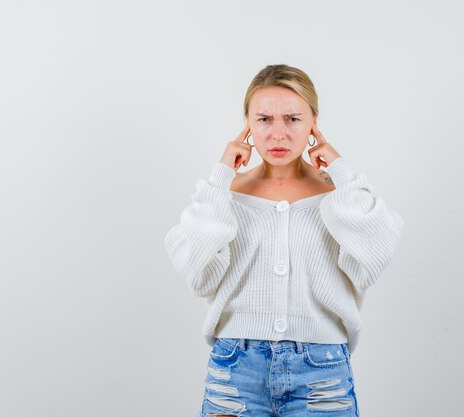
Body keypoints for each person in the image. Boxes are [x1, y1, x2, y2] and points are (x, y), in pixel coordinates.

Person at [163, 64, 404, 417]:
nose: (278, 134)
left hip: (321, 372)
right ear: (246, 123)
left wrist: (342, 173)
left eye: (292, 119)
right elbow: (199, 275)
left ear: (313, 123)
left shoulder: (337, 194)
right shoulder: (225, 194)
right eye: (264, 119)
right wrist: (221, 177)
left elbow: (377, 251)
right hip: (235, 370)